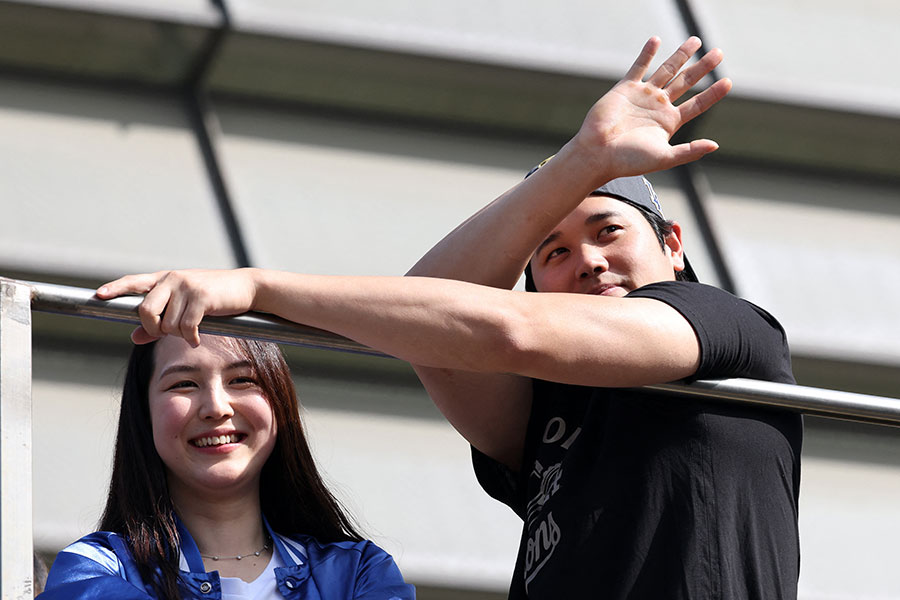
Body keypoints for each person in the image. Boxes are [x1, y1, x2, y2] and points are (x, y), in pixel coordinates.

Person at [93, 36, 801, 599]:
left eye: (609, 231)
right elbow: (433, 325)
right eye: (553, 252)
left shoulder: (724, 326)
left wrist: (257, 286)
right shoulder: (550, 410)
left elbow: (505, 330)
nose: (587, 261)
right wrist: (581, 162)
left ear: (672, 244)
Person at [39, 335, 415, 599]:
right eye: (184, 384)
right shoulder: (94, 569)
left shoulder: (358, 573)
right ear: (144, 412)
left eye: (242, 380)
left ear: (280, 401)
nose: (217, 407)